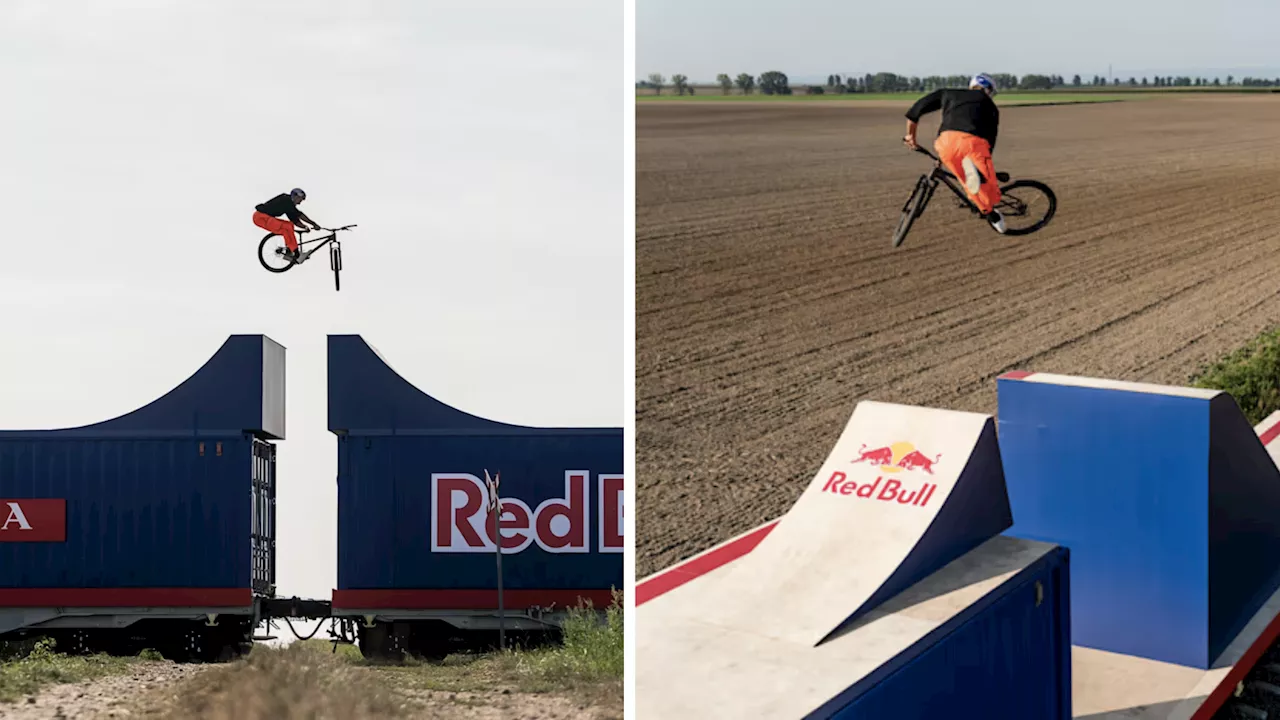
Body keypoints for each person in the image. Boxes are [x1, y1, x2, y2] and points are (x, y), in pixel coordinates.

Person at [902, 73, 1006, 234]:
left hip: (944, 143)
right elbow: (990, 141)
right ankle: (992, 214)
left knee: (966, 179)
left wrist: (911, 137)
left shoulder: (948, 93)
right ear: (989, 89)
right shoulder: (990, 107)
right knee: (985, 188)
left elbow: (915, 111)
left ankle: (979, 197)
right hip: (973, 145)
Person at [253, 188, 321, 261]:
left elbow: (295, 221)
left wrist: (304, 227)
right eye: (300, 200)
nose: (299, 203)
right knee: (287, 226)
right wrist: (313, 224)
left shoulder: (288, 206)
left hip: (264, 218)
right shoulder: (286, 199)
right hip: (260, 217)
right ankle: (296, 253)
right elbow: (299, 215)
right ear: (295, 196)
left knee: (287, 228)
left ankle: (289, 253)